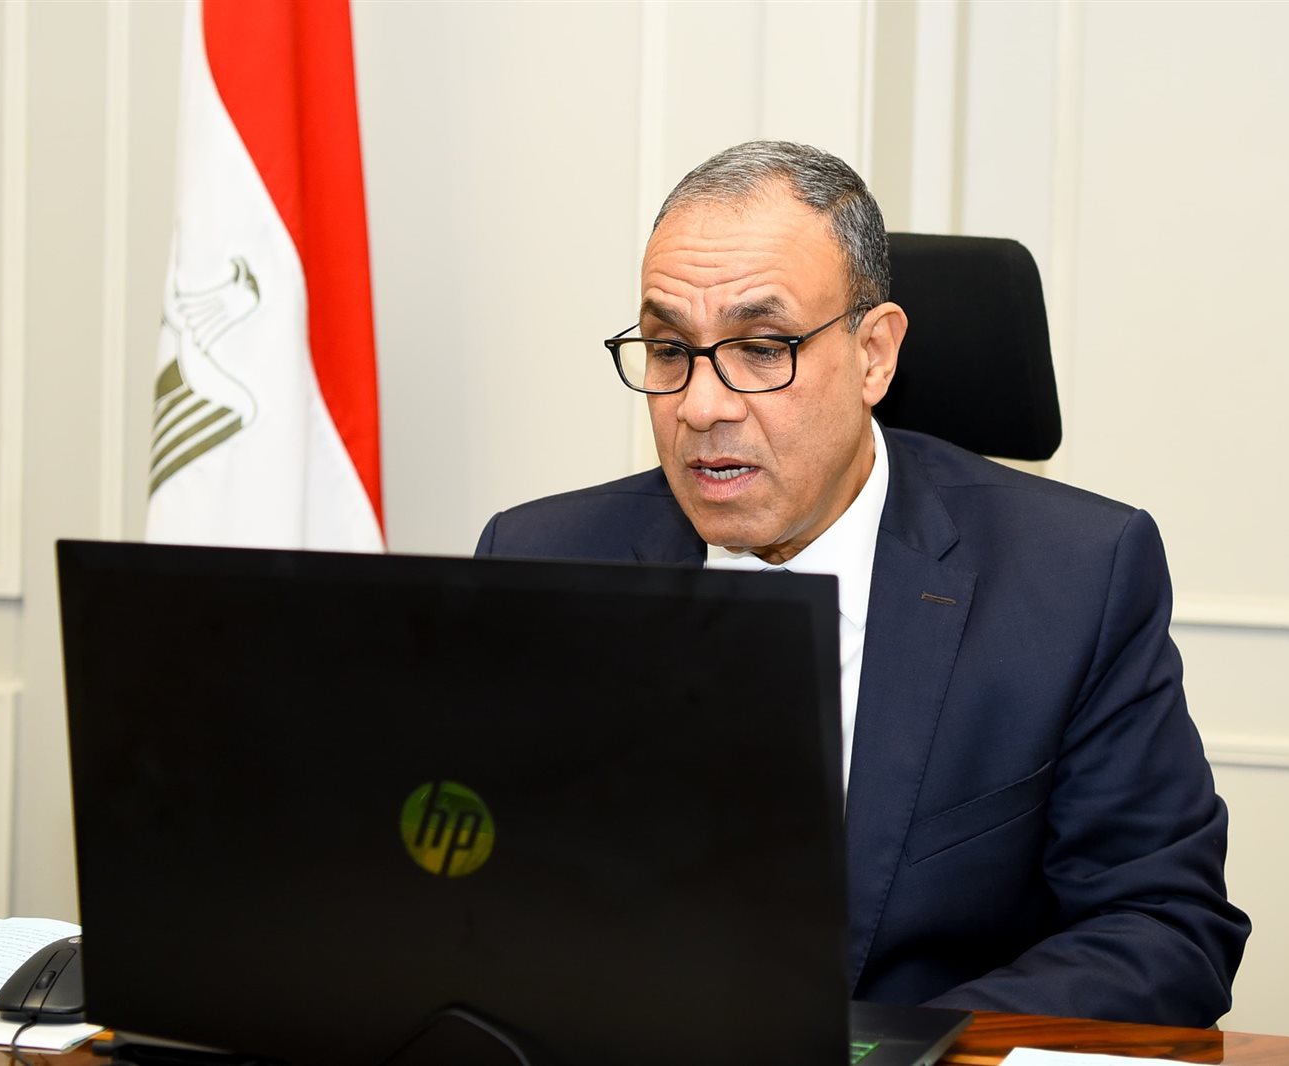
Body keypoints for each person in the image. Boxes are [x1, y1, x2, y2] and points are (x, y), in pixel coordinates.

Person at [475, 141, 1249, 1026]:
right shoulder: (538, 562)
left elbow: (1162, 928)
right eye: (668, 349)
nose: (700, 405)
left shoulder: (1073, 579)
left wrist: (892, 1052)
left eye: (760, 348)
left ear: (875, 353)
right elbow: (467, 893)